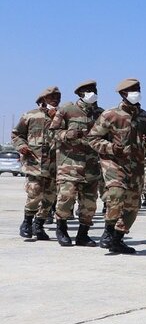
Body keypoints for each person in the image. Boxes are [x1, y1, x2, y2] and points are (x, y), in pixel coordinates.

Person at [88, 79, 146, 254]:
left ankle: (118, 239)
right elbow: (93, 138)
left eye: (138, 89)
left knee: (133, 204)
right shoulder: (110, 115)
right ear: (122, 94)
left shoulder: (145, 117)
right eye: (132, 90)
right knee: (116, 195)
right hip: (114, 163)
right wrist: (111, 148)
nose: (136, 92)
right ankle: (108, 231)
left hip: (137, 165)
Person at [49, 80, 103, 246]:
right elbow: (53, 133)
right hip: (69, 165)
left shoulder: (101, 114)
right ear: (80, 93)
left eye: (94, 90)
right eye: (89, 90)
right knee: (66, 199)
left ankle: (83, 235)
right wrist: (68, 134)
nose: (93, 93)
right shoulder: (67, 110)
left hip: (92, 166)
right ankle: (62, 230)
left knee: (89, 204)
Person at [12, 86, 61, 241]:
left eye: (57, 97)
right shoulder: (30, 115)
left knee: (50, 197)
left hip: (54, 164)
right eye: (52, 97)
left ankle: (38, 224)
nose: (55, 100)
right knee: (34, 193)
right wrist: (21, 146)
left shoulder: (62, 116)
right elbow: (17, 134)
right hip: (35, 163)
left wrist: (57, 119)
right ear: (43, 99)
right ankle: (26, 222)